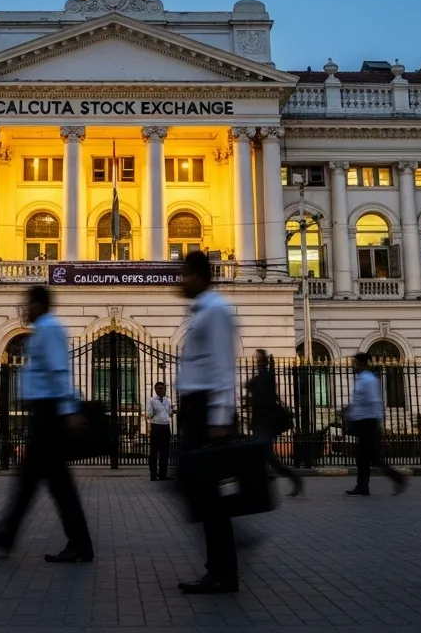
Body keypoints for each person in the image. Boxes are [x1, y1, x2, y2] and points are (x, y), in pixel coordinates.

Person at [0, 285, 94, 563]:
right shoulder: (44, 330)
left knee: (48, 484)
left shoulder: (50, 329)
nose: (25, 308)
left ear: (39, 304)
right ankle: (10, 534)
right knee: (37, 482)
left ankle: (74, 543)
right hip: (44, 413)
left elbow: (59, 370)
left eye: (28, 303)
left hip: (49, 414)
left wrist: (67, 409)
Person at [175, 251, 240, 594]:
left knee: (201, 489)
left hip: (206, 413)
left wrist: (219, 415)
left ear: (199, 276)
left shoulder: (215, 310)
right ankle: (223, 564)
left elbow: (222, 365)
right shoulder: (201, 310)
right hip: (195, 410)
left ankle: (223, 569)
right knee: (199, 488)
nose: (180, 280)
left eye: (184, 274)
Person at [343, 352, 407, 497]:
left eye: (355, 362)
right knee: (362, 457)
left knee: (372, 457)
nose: (354, 365)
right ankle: (362, 487)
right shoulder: (362, 379)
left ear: (362, 363)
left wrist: (355, 410)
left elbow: (373, 400)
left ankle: (398, 479)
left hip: (369, 422)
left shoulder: (368, 380)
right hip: (364, 422)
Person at [247, 350, 302, 496]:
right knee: (264, 456)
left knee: (265, 455)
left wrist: (269, 362)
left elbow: (269, 377)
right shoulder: (256, 381)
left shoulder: (267, 378)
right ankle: (280, 481)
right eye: (257, 360)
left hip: (266, 423)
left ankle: (289, 479)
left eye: (259, 360)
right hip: (259, 423)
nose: (257, 363)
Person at [146, 381, 174, 481]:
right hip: (156, 427)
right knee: (154, 452)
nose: (160, 390)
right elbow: (148, 414)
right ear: (155, 390)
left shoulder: (168, 400)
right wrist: (153, 412)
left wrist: (172, 411)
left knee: (164, 452)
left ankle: (163, 474)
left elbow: (170, 412)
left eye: (162, 388)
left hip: (165, 427)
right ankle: (153, 474)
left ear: (164, 389)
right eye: (158, 388)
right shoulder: (151, 400)